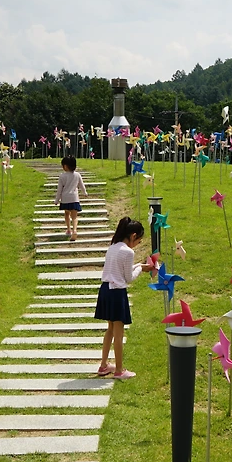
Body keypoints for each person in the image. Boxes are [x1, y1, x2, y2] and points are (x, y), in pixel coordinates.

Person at [95, 217, 145, 379]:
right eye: (138, 240)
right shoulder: (128, 252)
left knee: (110, 329)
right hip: (117, 293)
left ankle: (104, 365)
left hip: (105, 290)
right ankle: (119, 370)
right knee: (118, 333)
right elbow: (128, 278)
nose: (137, 244)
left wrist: (139, 265)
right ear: (133, 235)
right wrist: (141, 269)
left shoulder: (113, 247)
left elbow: (121, 270)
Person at [54, 155, 89, 241]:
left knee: (67, 214)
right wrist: (85, 193)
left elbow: (59, 189)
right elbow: (81, 185)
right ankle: (75, 230)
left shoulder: (62, 176)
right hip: (74, 198)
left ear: (65, 166)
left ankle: (69, 229)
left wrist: (57, 200)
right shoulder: (77, 175)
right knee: (74, 216)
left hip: (65, 199)